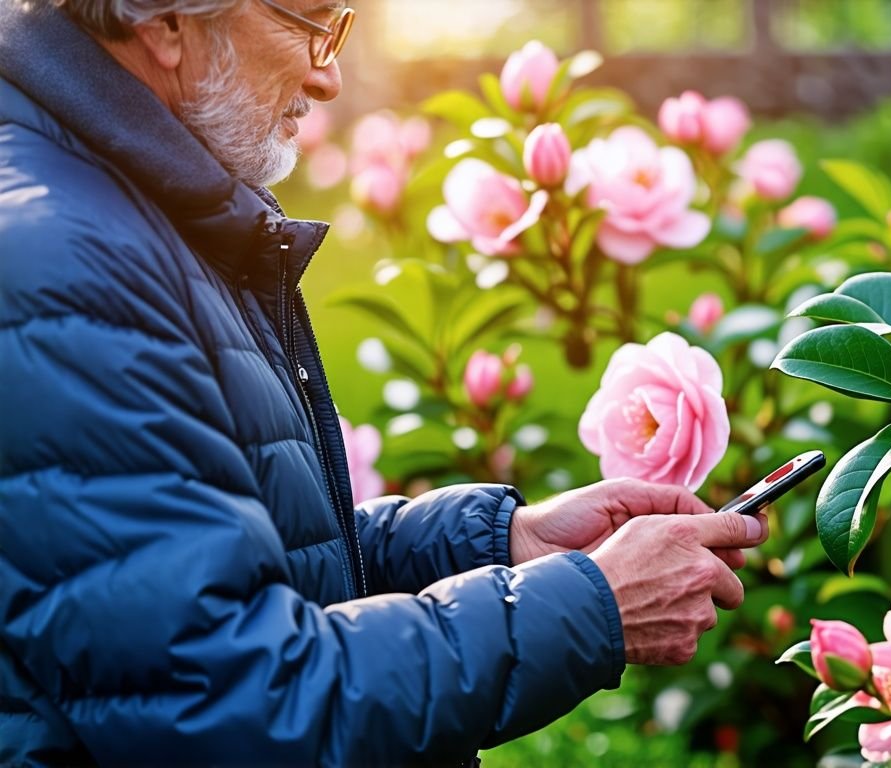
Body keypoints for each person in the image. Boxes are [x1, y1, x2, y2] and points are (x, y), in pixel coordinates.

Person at [0, 0, 769, 763]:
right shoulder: (65, 262)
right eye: (311, 22)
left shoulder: (127, 208)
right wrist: (590, 606)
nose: (327, 75)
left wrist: (500, 544)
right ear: (167, 22)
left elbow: (241, 563)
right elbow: (227, 703)